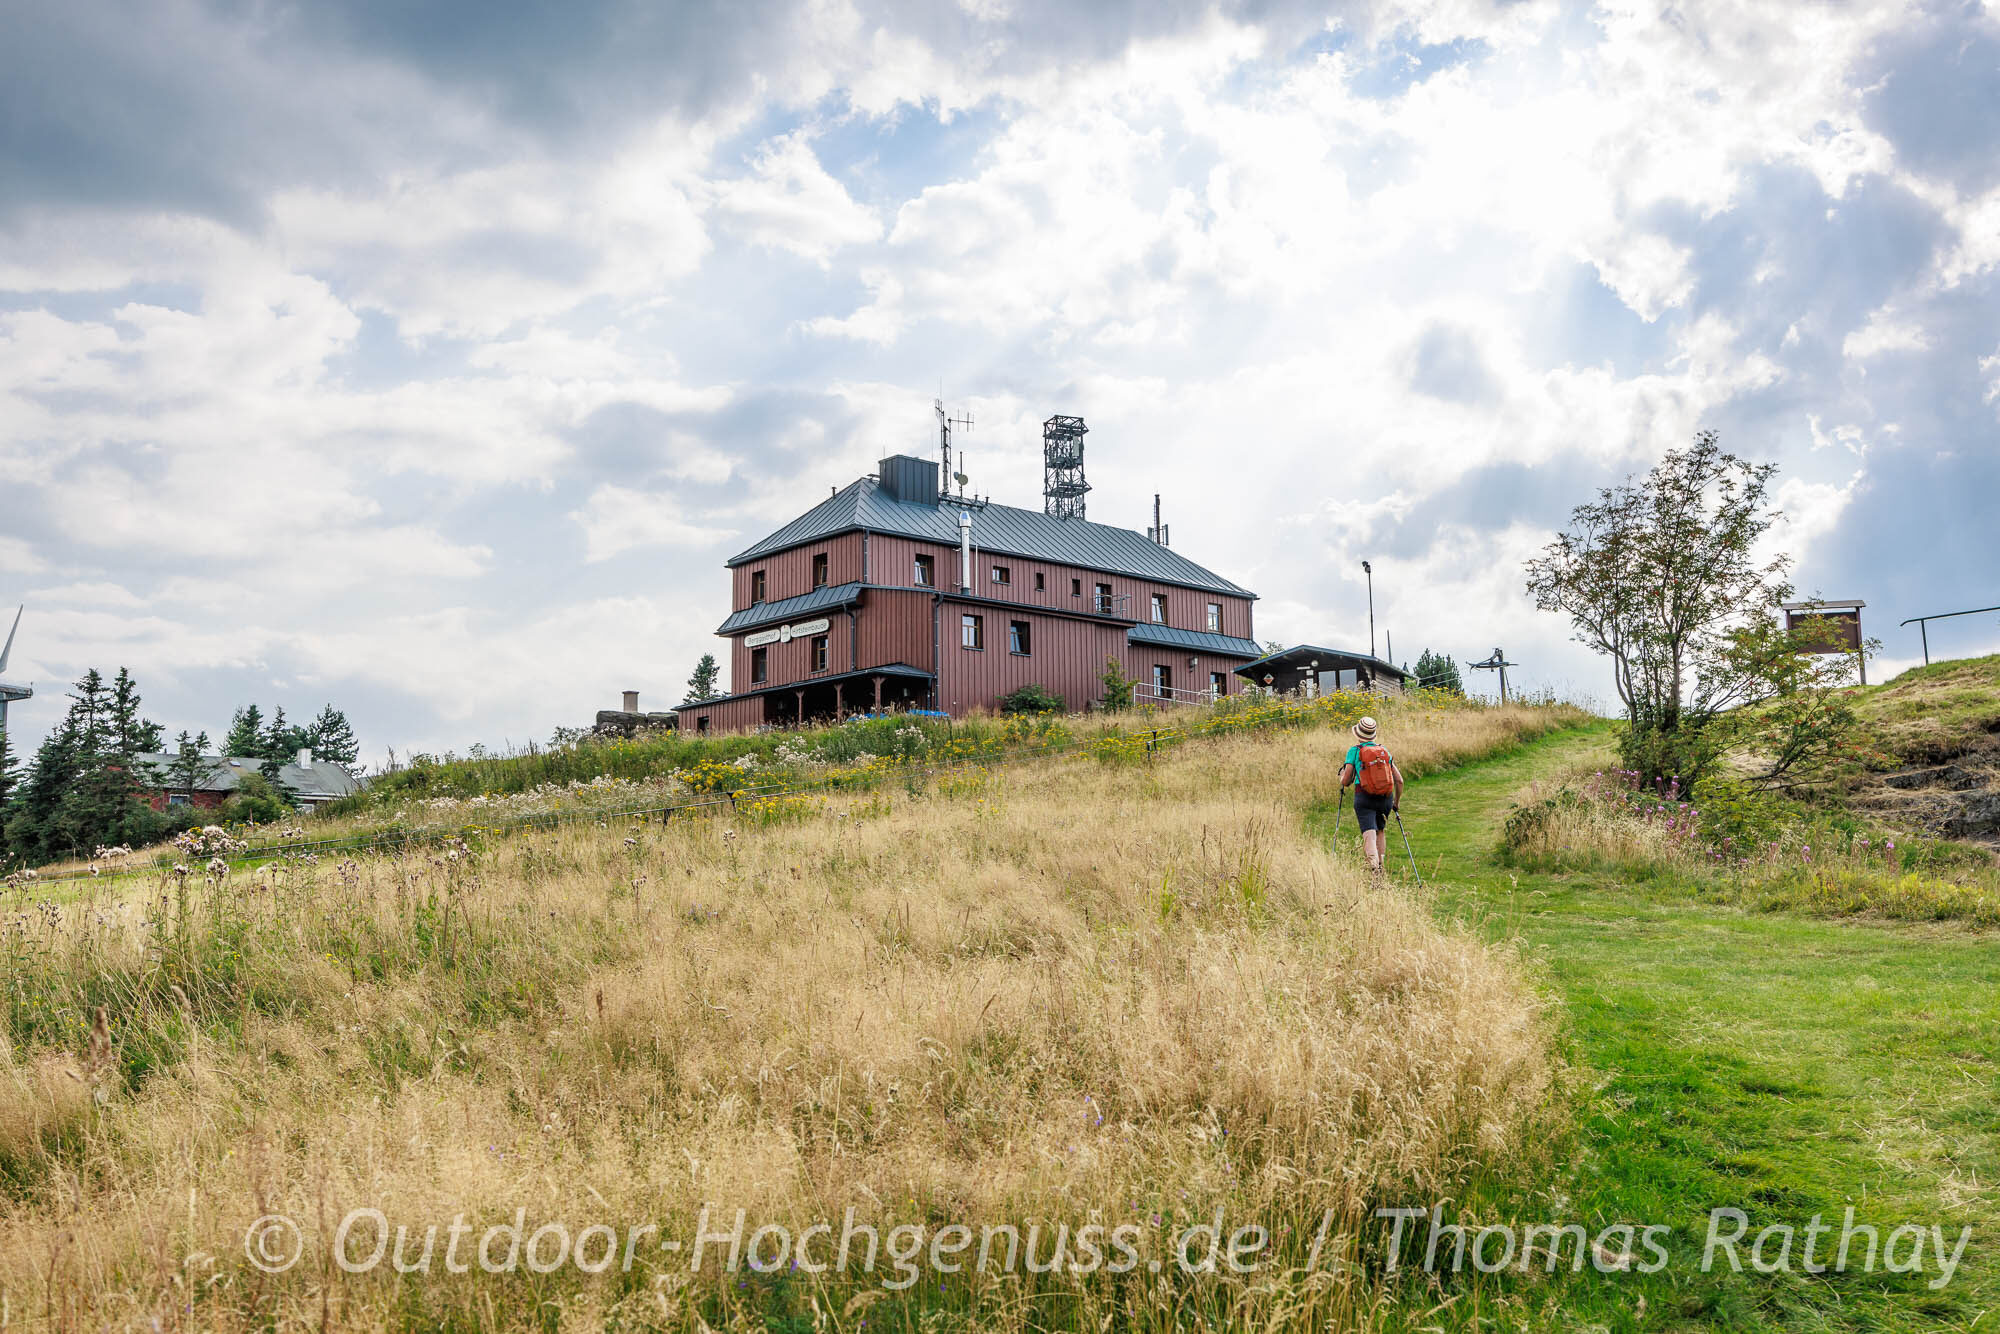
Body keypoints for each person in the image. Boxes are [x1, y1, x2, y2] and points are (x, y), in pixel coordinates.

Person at [1338, 715, 1404, 872]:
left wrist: (1341, 778)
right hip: (1385, 798)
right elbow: (1399, 780)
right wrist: (1396, 803)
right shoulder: (1384, 751)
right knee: (1380, 832)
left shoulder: (1354, 751)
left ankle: (1374, 872)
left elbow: (1346, 780)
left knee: (1369, 835)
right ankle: (1381, 868)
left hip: (1364, 797)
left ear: (1358, 734)